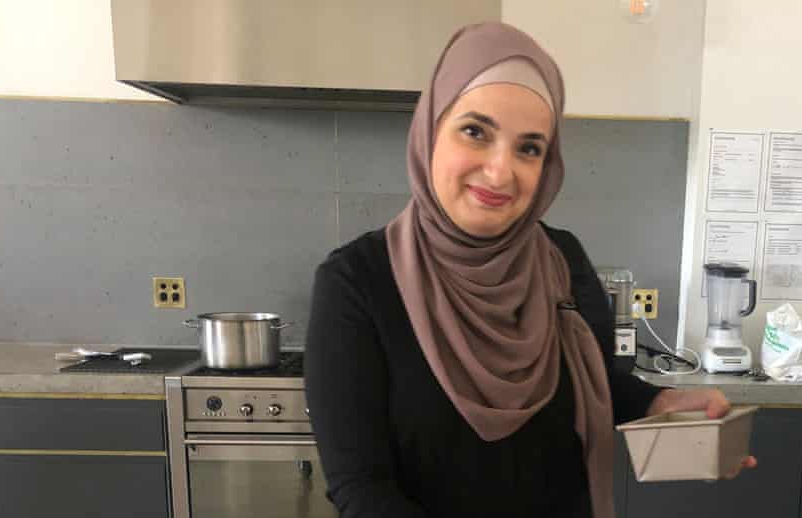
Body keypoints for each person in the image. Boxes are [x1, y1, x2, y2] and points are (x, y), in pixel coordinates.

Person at [305, 22, 755, 518]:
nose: (501, 171)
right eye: (475, 131)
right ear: (431, 130)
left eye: (529, 148)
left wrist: (658, 403)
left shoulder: (562, 260)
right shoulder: (357, 282)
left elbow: (590, 386)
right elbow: (360, 487)